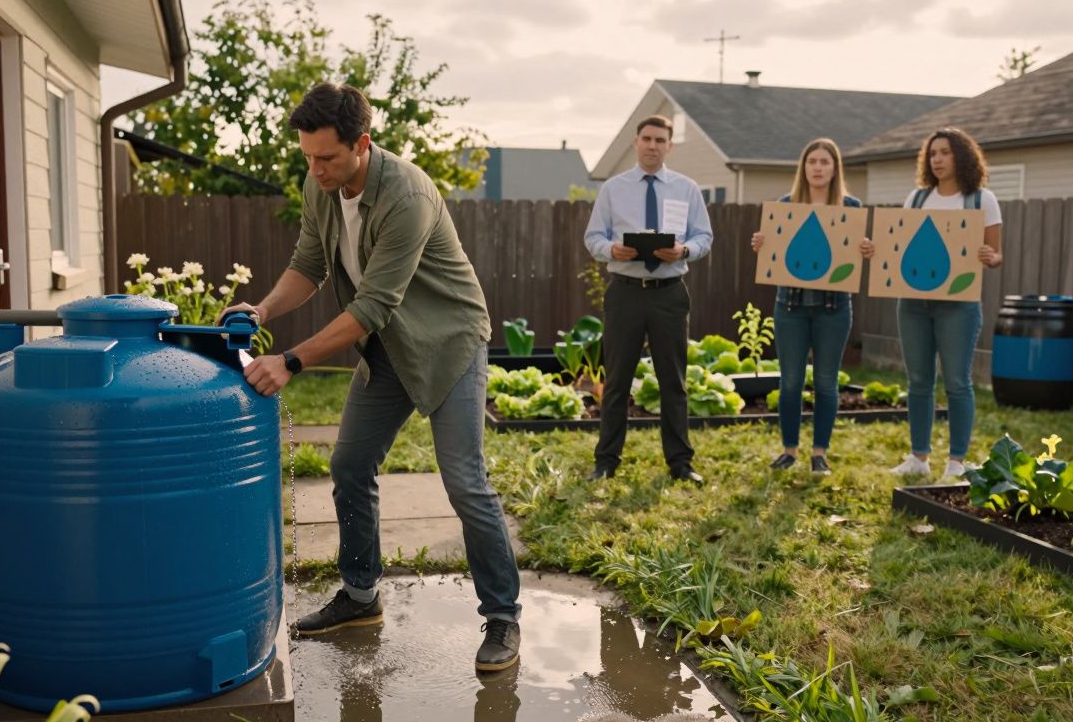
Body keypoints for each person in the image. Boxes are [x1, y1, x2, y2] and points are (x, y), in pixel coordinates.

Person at [224, 83, 522, 672]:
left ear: (362, 144)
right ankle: (360, 596)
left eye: (327, 157)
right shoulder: (321, 186)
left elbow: (374, 303)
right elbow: (307, 266)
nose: (315, 168)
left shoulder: (407, 193)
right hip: (387, 348)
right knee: (349, 465)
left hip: (448, 343)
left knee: (464, 480)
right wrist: (259, 311)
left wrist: (290, 361)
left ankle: (503, 616)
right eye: (307, 156)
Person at [859, 127, 1003, 481]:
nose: (937, 159)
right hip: (912, 304)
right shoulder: (917, 199)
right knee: (919, 381)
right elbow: (900, 251)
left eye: (945, 152)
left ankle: (956, 462)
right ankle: (919, 457)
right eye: (932, 154)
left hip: (958, 307)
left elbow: (996, 255)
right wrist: (876, 252)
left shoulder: (982, 200)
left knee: (957, 382)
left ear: (963, 157)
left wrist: (990, 256)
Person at [582, 115, 713, 484]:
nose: (653, 145)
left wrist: (684, 250)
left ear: (669, 146)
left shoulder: (687, 189)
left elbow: (704, 237)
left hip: (669, 294)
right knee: (617, 381)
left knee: (673, 382)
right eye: (646, 139)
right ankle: (606, 461)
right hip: (624, 294)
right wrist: (612, 250)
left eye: (660, 140)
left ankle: (681, 464)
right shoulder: (613, 189)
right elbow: (593, 238)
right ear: (636, 142)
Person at [750, 138, 861, 476]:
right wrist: (762, 246)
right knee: (790, 382)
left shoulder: (852, 208)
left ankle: (819, 453)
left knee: (827, 382)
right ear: (804, 167)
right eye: (812, 161)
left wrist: (865, 249)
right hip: (790, 308)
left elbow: (852, 255)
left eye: (824, 162)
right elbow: (778, 255)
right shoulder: (785, 206)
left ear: (834, 168)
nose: (817, 167)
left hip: (834, 309)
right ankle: (789, 450)